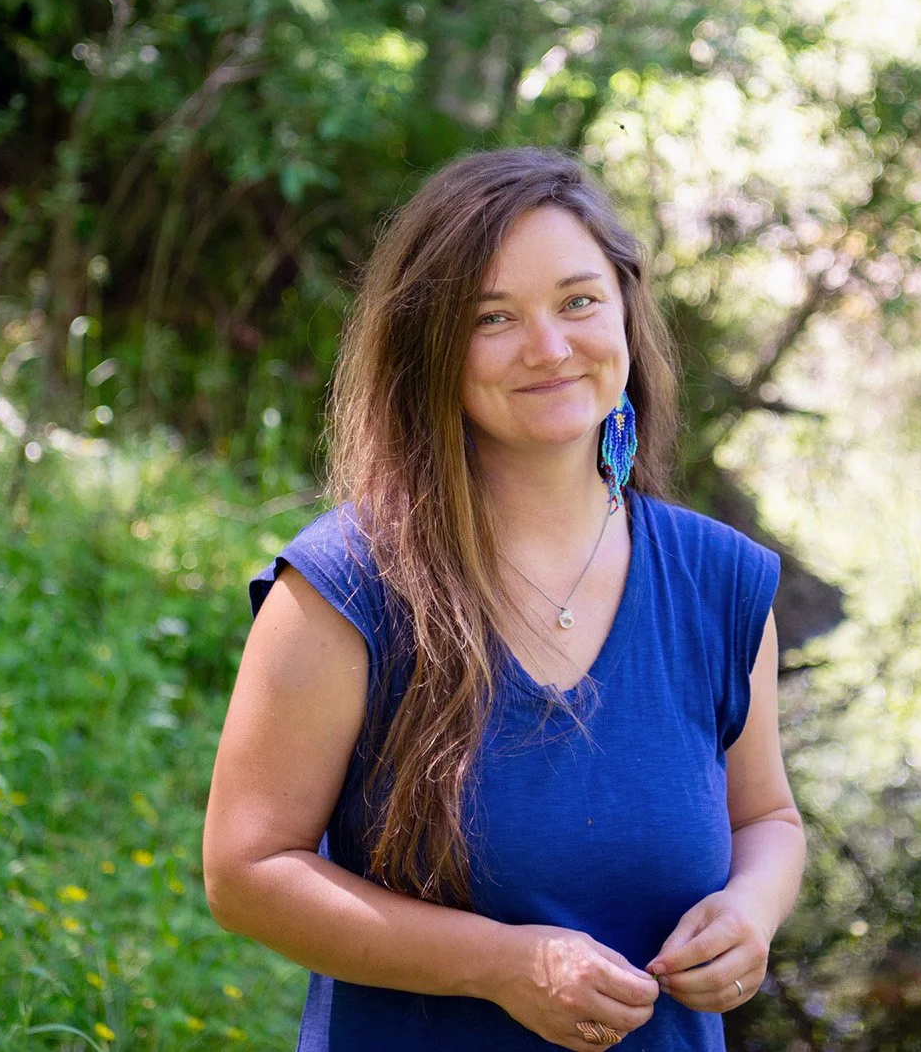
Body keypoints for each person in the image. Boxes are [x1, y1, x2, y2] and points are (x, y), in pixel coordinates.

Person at [201, 148, 806, 1049]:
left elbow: (768, 819)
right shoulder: (347, 585)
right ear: (430, 347)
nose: (551, 347)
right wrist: (498, 964)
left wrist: (751, 911)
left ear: (626, 313)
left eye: (578, 301)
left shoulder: (719, 579)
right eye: (495, 316)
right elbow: (246, 871)